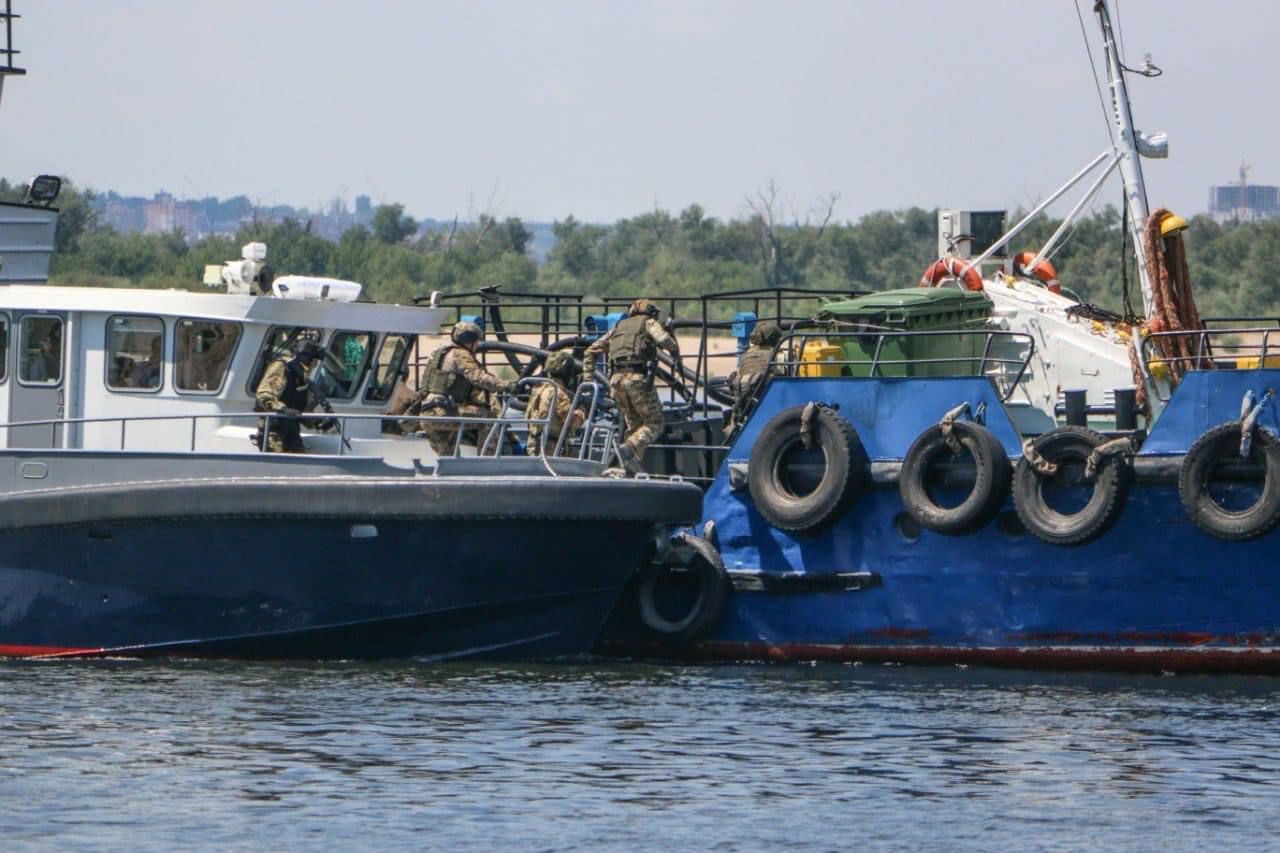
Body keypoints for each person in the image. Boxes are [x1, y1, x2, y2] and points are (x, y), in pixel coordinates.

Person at [582, 298, 678, 474]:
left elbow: (589, 351)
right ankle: (625, 452)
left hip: (616, 383)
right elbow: (665, 340)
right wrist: (673, 346)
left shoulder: (618, 327)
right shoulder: (648, 323)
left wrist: (588, 379)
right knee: (654, 423)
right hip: (636, 380)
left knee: (635, 427)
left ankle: (627, 469)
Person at [412, 321, 516, 456]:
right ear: (468, 340)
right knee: (489, 419)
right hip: (442, 412)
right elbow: (477, 377)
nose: (477, 345)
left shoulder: (440, 352)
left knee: (448, 455)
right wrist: (507, 385)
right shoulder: (461, 354)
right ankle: (487, 462)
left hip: (427, 414)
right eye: (476, 341)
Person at [254, 339, 324, 453]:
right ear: (307, 358)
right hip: (274, 432)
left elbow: (302, 411)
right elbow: (263, 394)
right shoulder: (282, 367)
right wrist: (283, 409)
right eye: (314, 361)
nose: (315, 365)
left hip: (292, 433)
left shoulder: (302, 377)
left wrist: (316, 422)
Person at [526, 350, 587, 456]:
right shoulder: (558, 393)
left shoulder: (539, 388)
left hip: (536, 444)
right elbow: (572, 422)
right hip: (551, 449)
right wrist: (583, 409)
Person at [725, 320, 782, 433]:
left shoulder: (745, 356)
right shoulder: (775, 354)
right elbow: (782, 379)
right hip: (767, 407)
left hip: (744, 409)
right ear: (772, 339)